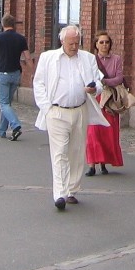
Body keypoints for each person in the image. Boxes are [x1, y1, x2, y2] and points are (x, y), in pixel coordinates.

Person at [33, 24, 101, 211]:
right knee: (60, 153)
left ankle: (72, 189)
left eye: (77, 43)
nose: (74, 46)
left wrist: (95, 88)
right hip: (56, 111)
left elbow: (98, 81)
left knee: (76, 152)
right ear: (62, 41)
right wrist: (47, 108)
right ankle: (60, 194)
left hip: (80, 110)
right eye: (71, 43)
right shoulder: (48, 58)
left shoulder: (88, 58)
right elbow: (38, 83)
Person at [86, 31, 126, 176]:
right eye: (101, 42)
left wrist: (103, 82)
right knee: (93, 132)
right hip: (95, 98)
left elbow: (119, 78)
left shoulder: (116, 59)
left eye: (107, 42)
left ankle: (103, 162)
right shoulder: (91, 60)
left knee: (108, 132)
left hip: (110, 99)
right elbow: (88, 78)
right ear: (96, 45)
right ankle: (92, 165)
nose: (104, 45)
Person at [0, 13, 27, 139]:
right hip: (16, 74)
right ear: (13, 24)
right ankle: (1, 130)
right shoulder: (21, 39)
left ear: (3, 24)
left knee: (3, 103)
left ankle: (16, 125)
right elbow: (28, 57)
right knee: (7, 103)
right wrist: (33, 72)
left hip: (3, 74)